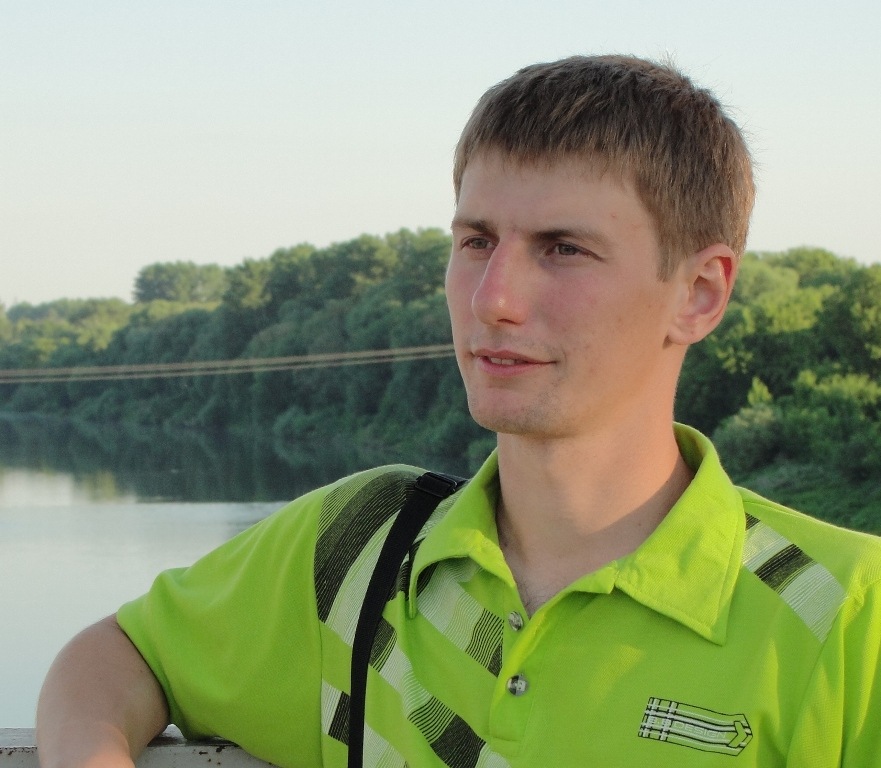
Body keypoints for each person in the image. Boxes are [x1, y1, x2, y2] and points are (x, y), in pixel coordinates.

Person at [36, 55, 881, 768]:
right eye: (476, 241)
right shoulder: (361, 545)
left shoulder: (851, 615)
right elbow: (119, 658)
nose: (492, 298)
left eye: (563, 249)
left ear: (697, 294)